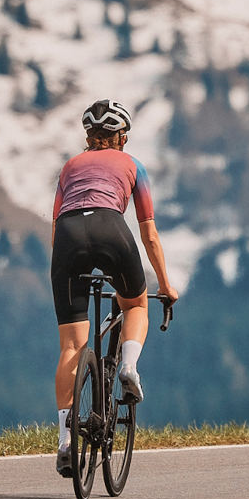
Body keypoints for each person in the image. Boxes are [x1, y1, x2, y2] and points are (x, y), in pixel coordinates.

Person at [50, 99, 177, 477]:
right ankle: (129, 367)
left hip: (69, 238)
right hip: (111, 228)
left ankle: (65, 441)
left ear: (89, 138)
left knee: (72, 345)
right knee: (136, 304)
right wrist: (167, 287)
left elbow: (56, 228)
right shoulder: (133, 165)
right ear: (121, 137)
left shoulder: (69, 167)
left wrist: (61, 272)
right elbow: (149, 233)